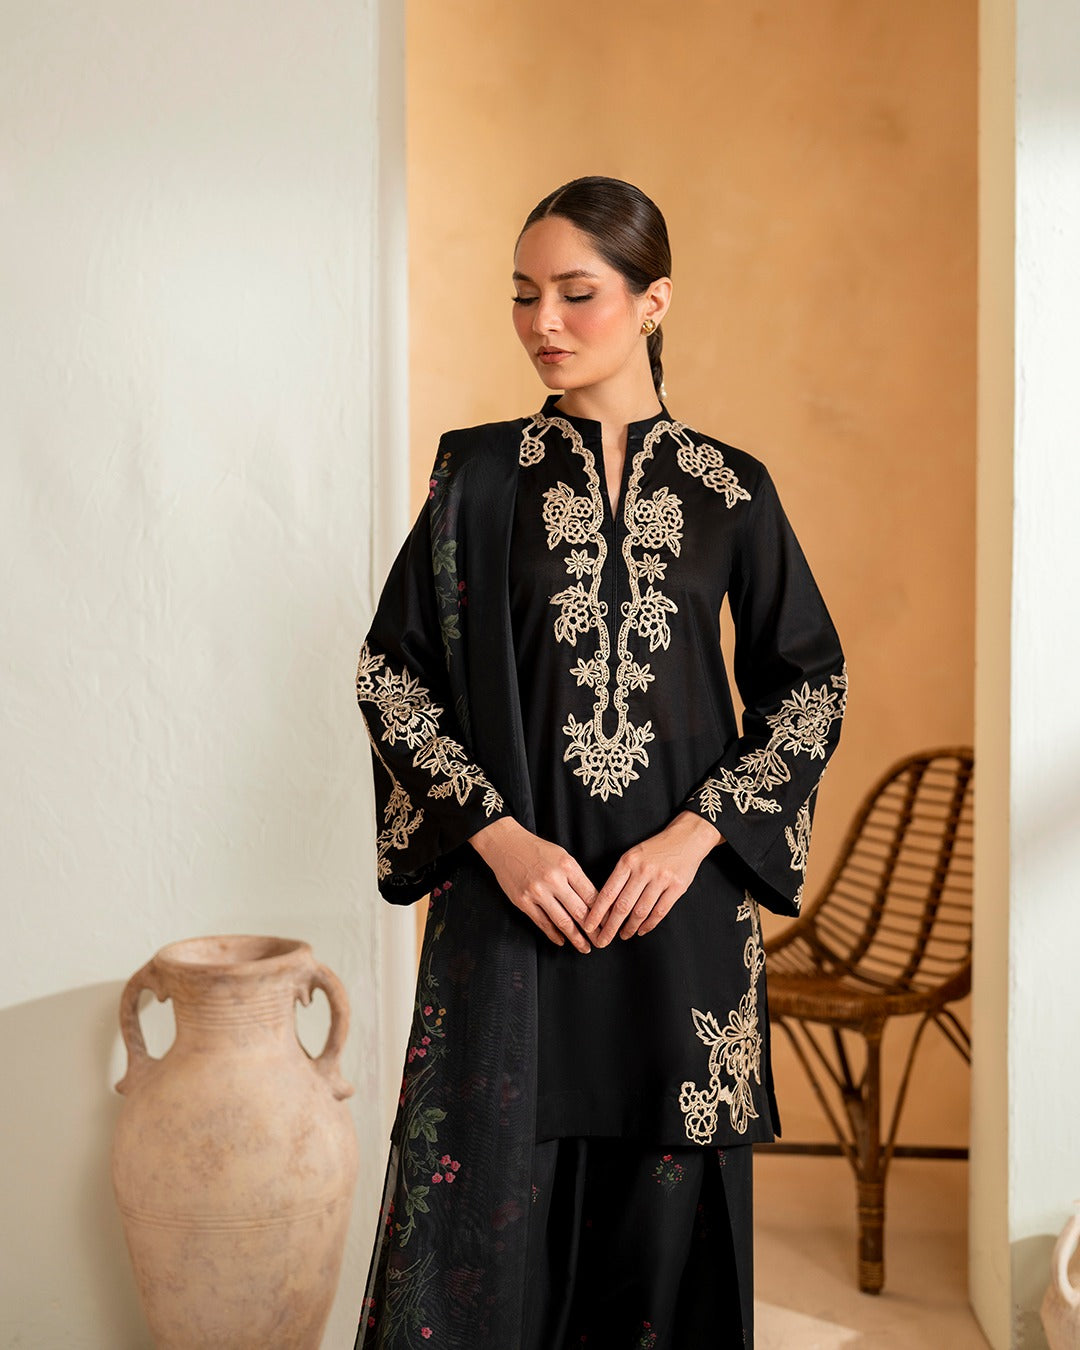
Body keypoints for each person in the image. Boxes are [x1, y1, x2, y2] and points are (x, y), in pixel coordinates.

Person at [353, 175, 846, 1350]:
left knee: (666, 1252)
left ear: (652, 301)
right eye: (524, 295)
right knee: (488, 1237)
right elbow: (390, 676)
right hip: (514, 912)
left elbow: (809, 686)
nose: (544, 322)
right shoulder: (477, 480)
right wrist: (499, 841)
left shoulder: (731, 490)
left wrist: (693, 840)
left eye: (577, 293)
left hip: (677, 920)